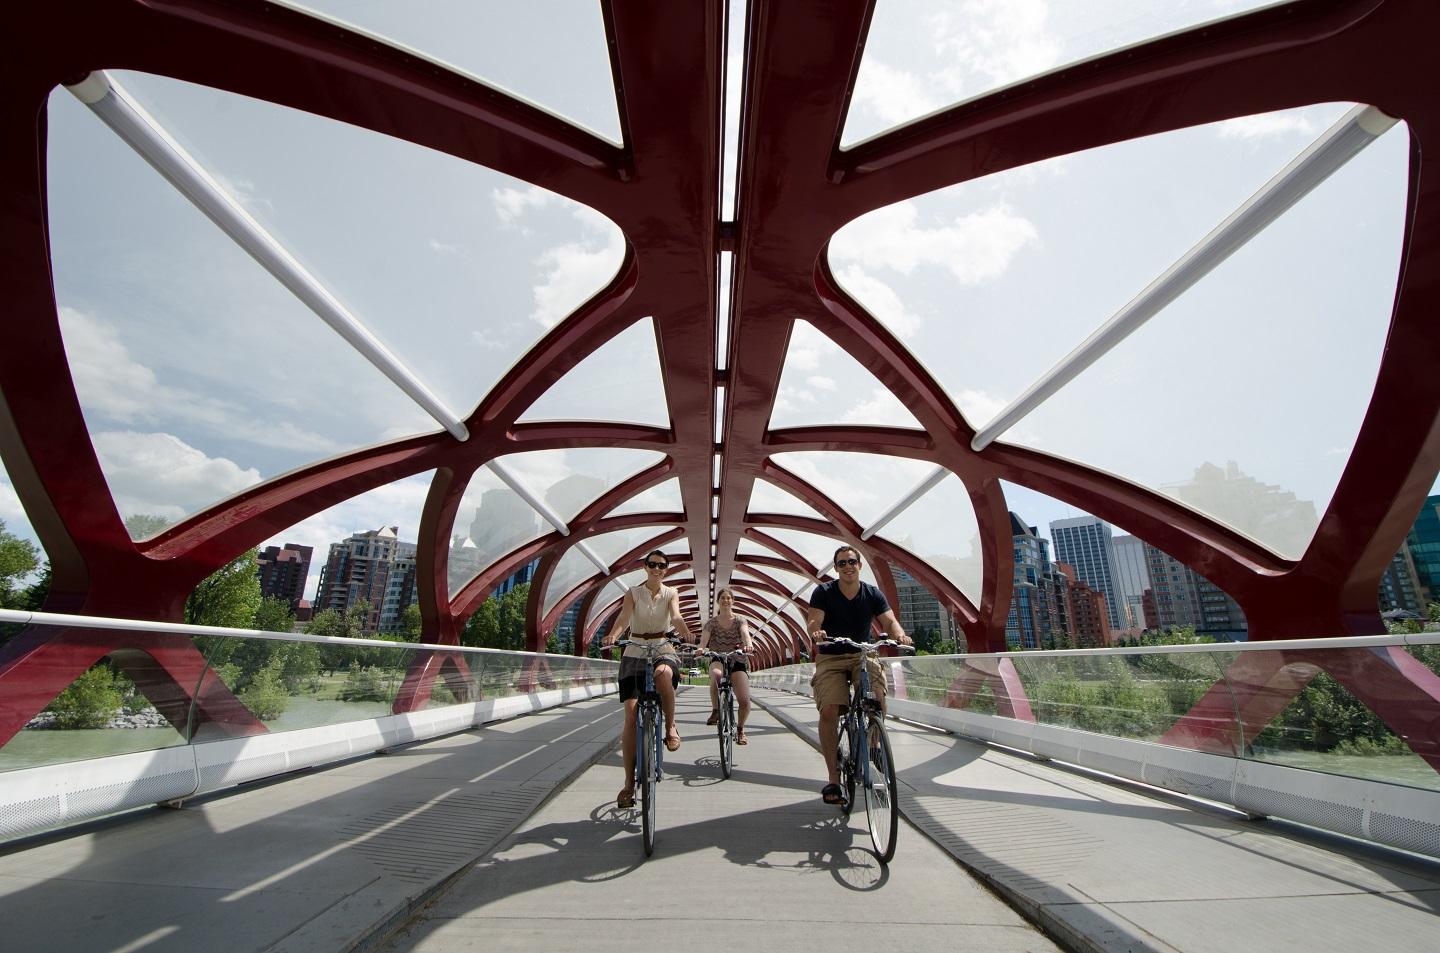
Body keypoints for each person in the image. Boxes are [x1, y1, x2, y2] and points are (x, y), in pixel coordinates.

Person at [805, 544, 911, 807]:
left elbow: (888, 621)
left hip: (863, 653)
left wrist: (899, 634)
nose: (847, 567)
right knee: (829, 710)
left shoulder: (872, 594)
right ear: (836, 568)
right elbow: (814, 620)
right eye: (842, 563)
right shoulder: (824, 592)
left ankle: (874, 743)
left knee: (877, 695)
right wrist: (816, 631)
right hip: (831, 656)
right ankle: (833, 779)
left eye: (852, 562)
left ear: (859, 565)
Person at [603, 549, 694, 809]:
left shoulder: (670, 593)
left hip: (663, 647)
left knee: (663, 675)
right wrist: (613, 634)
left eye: (662, 565)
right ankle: (629, 784)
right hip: (635, 650)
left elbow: (675, 616)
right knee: (631, 716)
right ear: (645, 567)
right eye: (652, 564)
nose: (657, 569)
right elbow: (623, 618)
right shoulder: (633, 593)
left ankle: (670, 727)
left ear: (666, 569)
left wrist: (685, 631)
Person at [696, 587, 755, 744]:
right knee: (716, 675)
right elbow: (704, 639)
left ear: (733, 601)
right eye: (723, 598)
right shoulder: (711, 623)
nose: (726, 600)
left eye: (729, 598)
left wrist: (748, 645)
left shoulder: (740, 620)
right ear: (718, 602)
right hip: (718, 657)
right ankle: (716, 710)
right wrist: (701, 648)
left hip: (737, 660)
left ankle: (741, 729)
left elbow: (745, 634)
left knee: (744, 701)